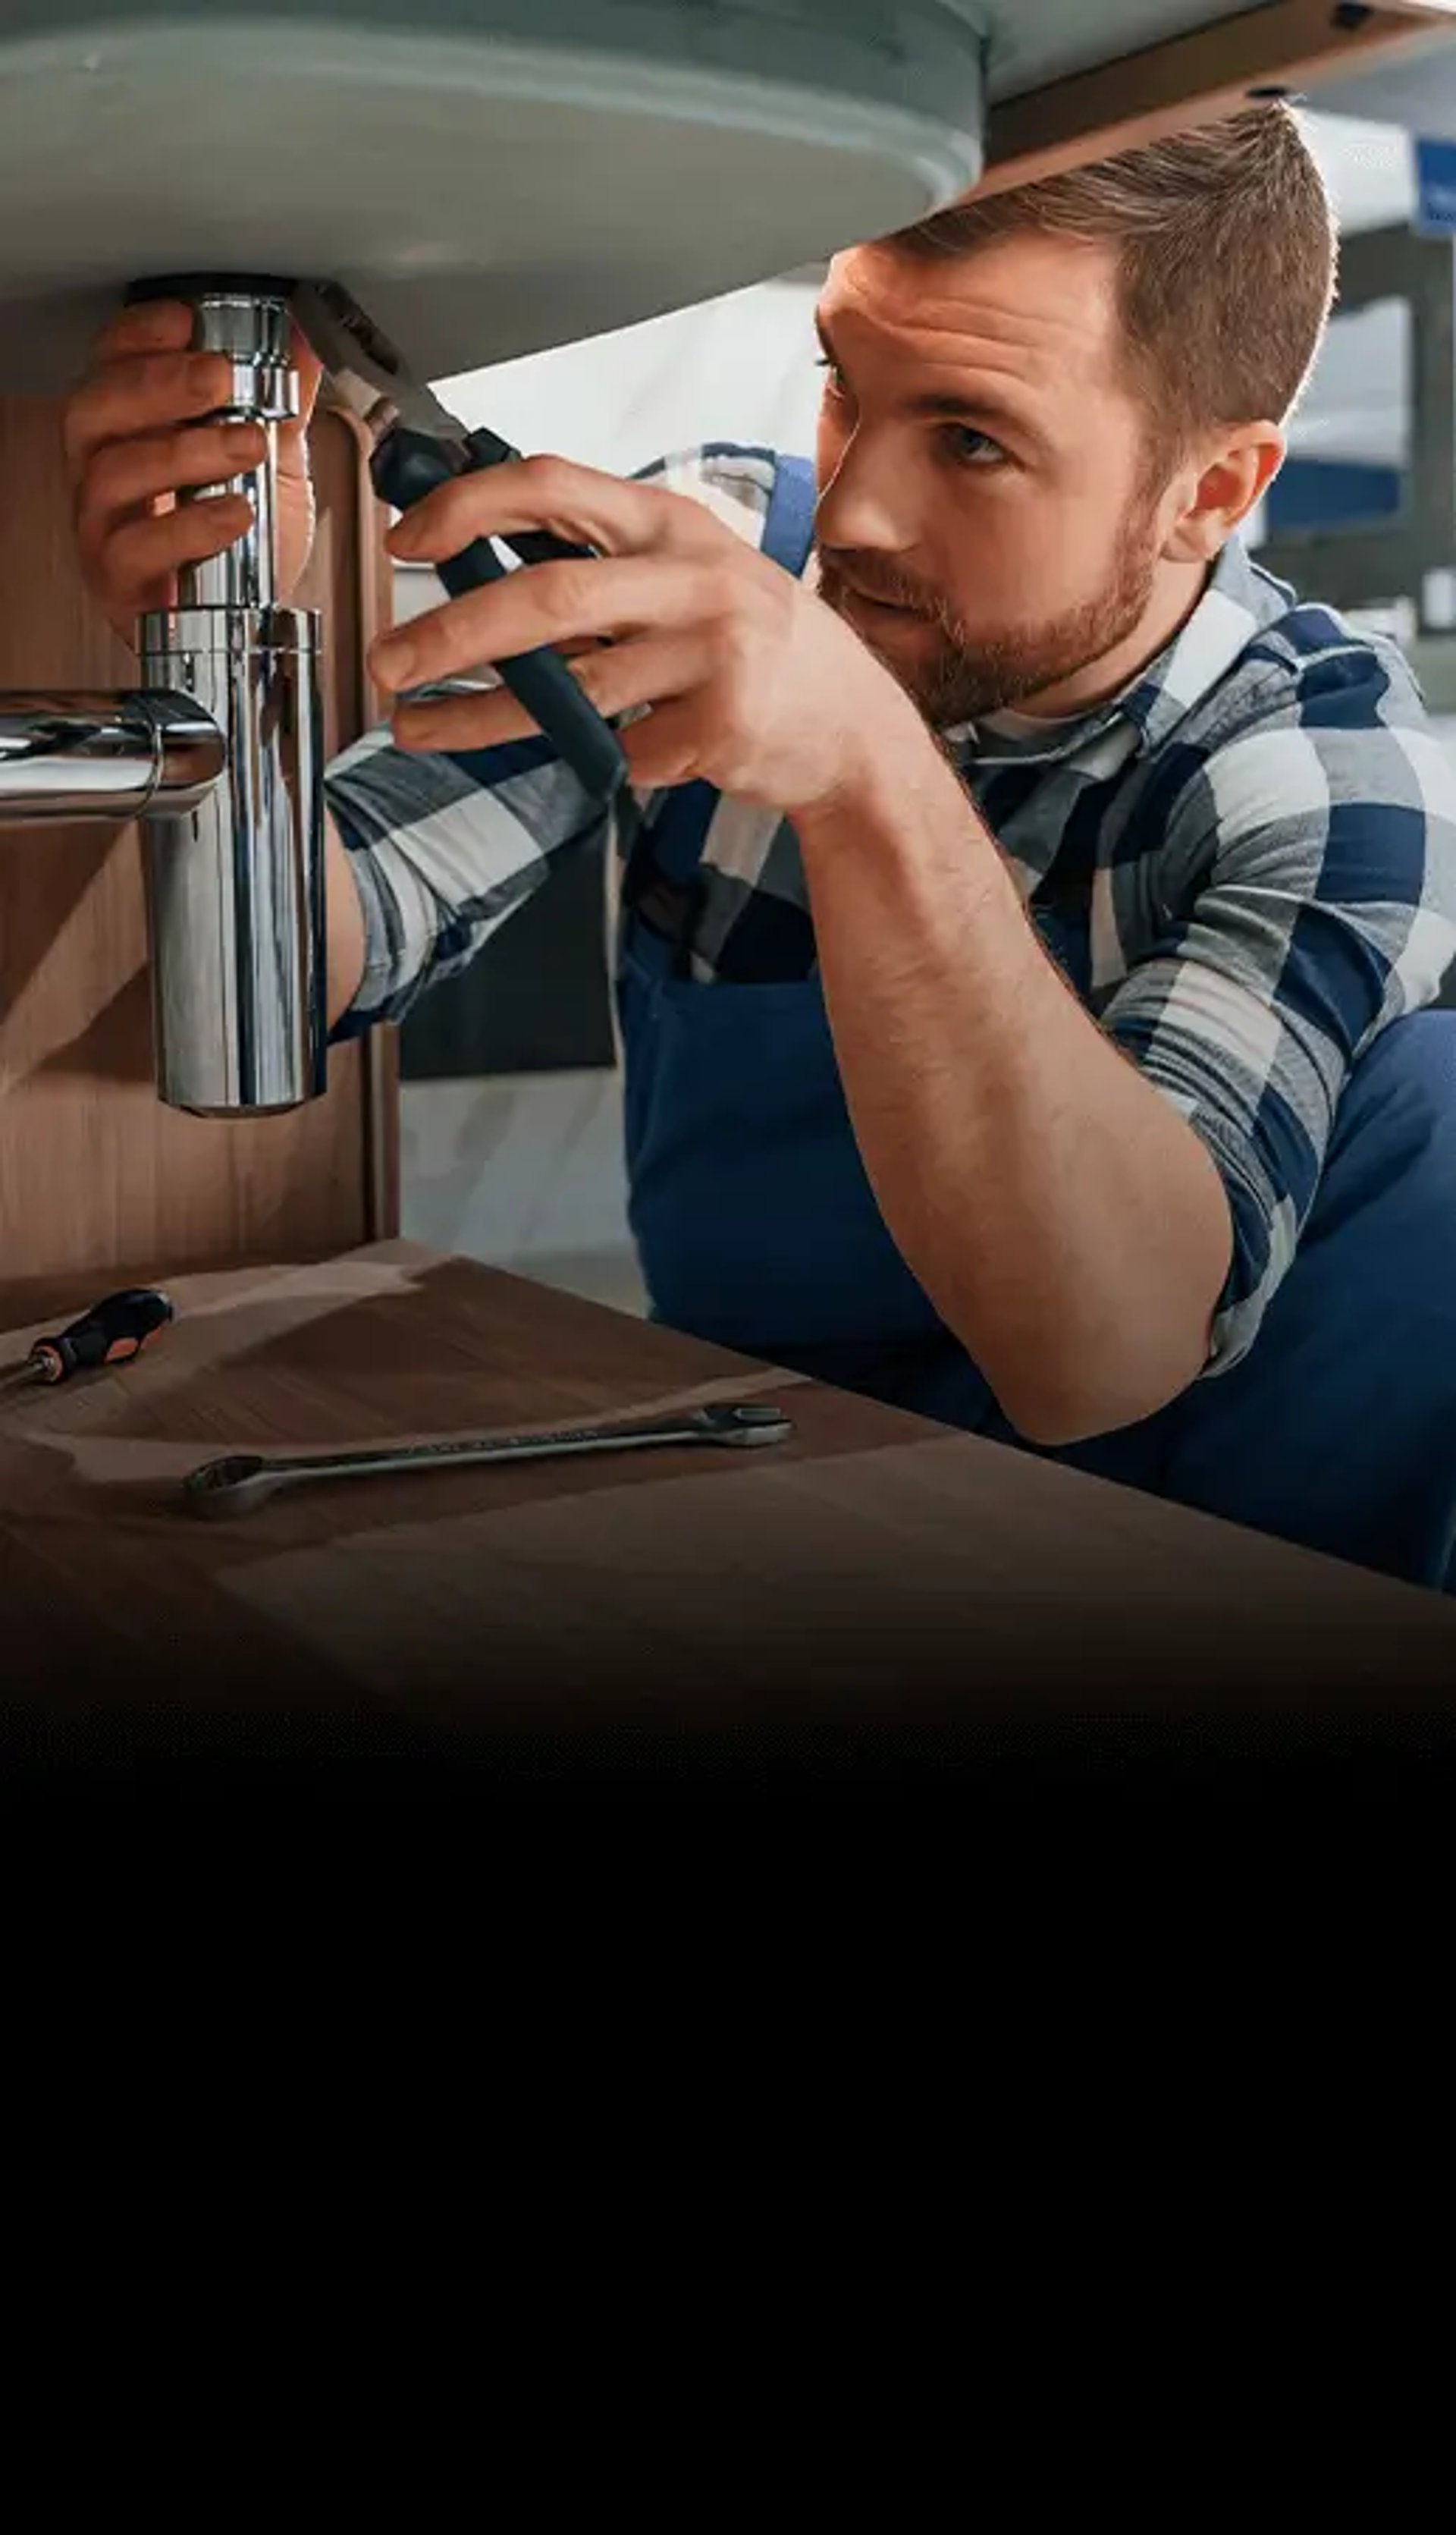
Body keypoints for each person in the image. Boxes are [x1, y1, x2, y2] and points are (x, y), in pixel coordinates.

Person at [63, 104, 1456, 1591]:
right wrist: (231, 646)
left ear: (1214, 492)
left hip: (1220, 1550)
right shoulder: (728, 555)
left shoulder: (1337, 775)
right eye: (844, 387)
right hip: (783, 1464)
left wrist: (863, 774)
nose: (851, 512)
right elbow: (325, 938)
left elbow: (1095, 1359)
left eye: (972, 441)